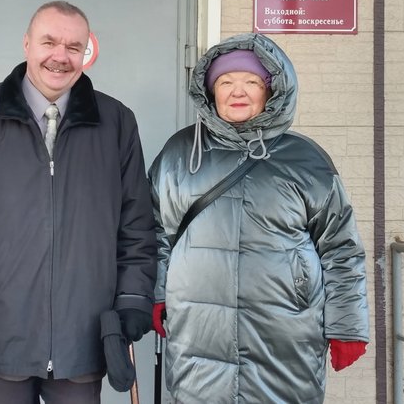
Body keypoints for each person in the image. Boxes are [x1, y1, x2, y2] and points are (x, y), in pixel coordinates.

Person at [0, 0, 156, 403]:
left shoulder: (115, 122)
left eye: (73, 47)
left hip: (84, 337)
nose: (60, 56)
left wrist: (132, 300)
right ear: (26, 44)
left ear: (85, 54)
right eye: (49, 42)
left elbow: (136, 225)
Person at [148, 33, 370, 403]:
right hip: (199, 334)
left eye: (251, 82)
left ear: (271, 91)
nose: (238, 92)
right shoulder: (178, 154)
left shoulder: (307, 161)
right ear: (210, 91)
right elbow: (156, 232)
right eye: (226, 82)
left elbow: (341, 250)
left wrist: (347, 325)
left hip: (285, 334)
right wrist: (156, 293)